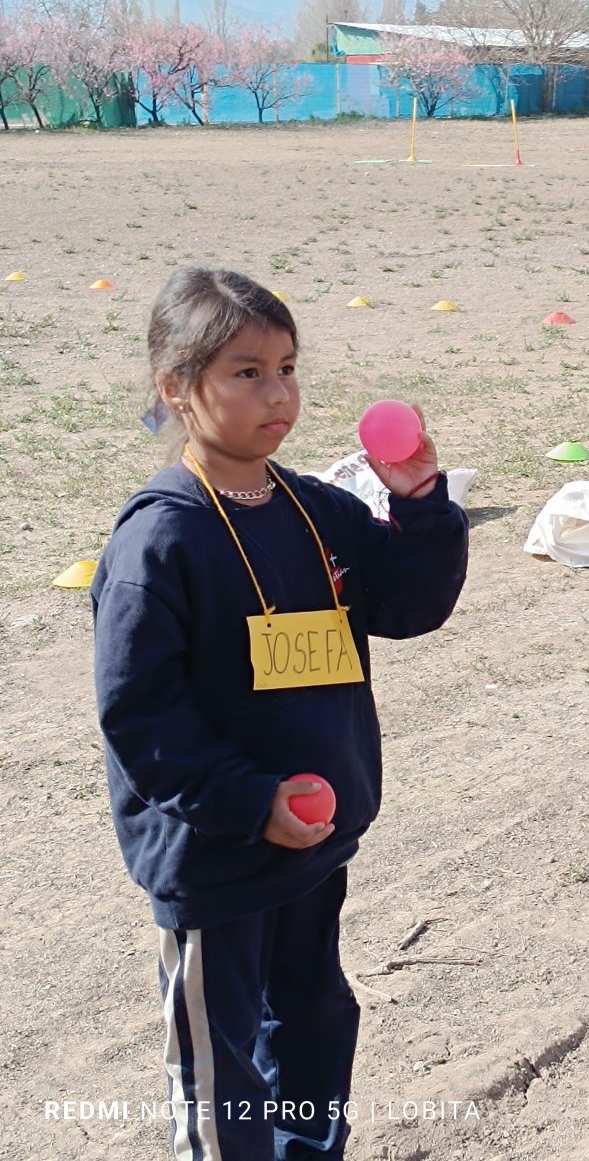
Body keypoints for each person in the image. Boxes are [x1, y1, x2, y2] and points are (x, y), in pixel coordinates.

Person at [91, 267, 469, 1157]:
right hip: (217, 858)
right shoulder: (161, 540)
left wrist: (418, 500)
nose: (279, 392)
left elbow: (409, 604)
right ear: (177, 389)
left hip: (314, 844)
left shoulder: (313, 508)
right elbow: (143, 718)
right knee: (223, 1070)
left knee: (312, 1023)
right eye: (247, 371)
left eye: (288, 366)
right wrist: (252, 801)